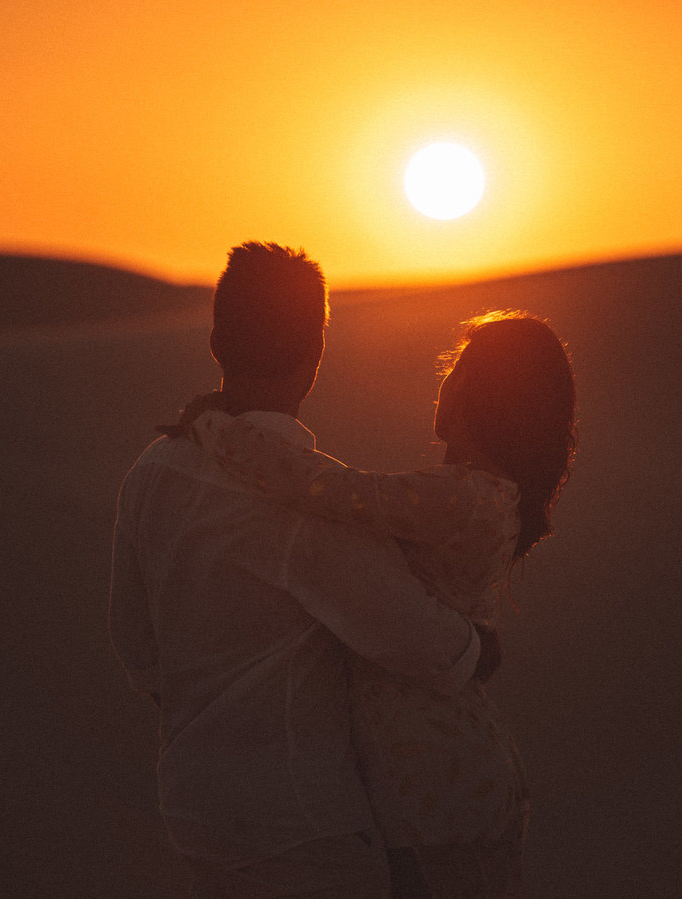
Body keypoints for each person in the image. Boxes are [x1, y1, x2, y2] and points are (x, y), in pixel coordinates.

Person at [108, 242, 490, 897]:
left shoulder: (151, 475)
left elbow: (136, 646)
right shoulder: (309, 504)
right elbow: (419, 640)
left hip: (197, 815)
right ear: (317, 351)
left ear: (216, 341)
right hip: (300, 829)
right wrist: (482, 643)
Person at [181, 311, 577, 896]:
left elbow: (324, 488)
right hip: (438, 774)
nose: (447, 381)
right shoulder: (481, 498)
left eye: (462, 369)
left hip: (435, 782)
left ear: (486, 394)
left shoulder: (465, 497)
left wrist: (215, 427)